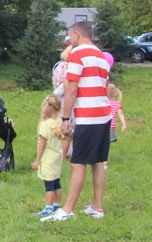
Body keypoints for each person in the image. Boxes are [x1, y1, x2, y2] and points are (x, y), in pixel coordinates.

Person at [43, 21, 112, 222]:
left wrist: (65, 117)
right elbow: (104, 87)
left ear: (76, 34)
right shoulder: (101, 56)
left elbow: (71, 87)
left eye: (70, 36)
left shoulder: (78, 54)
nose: (69, 40)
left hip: (88, 115)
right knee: (98, 162)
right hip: (104, 114)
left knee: (78, 163)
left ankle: (67, 210)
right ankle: (97, 208)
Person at [32, 94, 66, 217]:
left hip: (48, 158)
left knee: (49, 185)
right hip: (57, 156)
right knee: (57, 182)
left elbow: (42, 144)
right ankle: (57, 204)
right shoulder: (60, 122)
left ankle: (48, 207)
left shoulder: (45, 125)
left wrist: (37, 160)